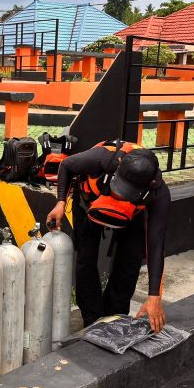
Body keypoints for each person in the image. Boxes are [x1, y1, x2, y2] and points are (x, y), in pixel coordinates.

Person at [46, 141, 169, 332]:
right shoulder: (102, 159)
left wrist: (154, 296)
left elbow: (156, 245)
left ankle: (115, 317)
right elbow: (67, 165)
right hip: (89, 204)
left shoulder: (157, 193)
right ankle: (92, 320)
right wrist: (60, 202)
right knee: (86, 260)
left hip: (130, 216)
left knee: (130, 261)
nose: (119, 195)